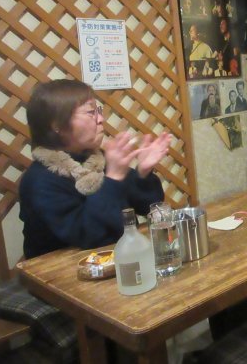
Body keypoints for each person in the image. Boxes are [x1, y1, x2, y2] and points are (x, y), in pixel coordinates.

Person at [19, 79, 171, 259]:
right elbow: (89, 236)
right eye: (91, 112)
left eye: (98, 111)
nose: (101, 119)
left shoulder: (97, 160)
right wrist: (113, 178)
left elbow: (148, 206)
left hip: (118, 260)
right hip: (60, 271)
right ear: (56, 125)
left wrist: (142, 173)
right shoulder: (40, 180)